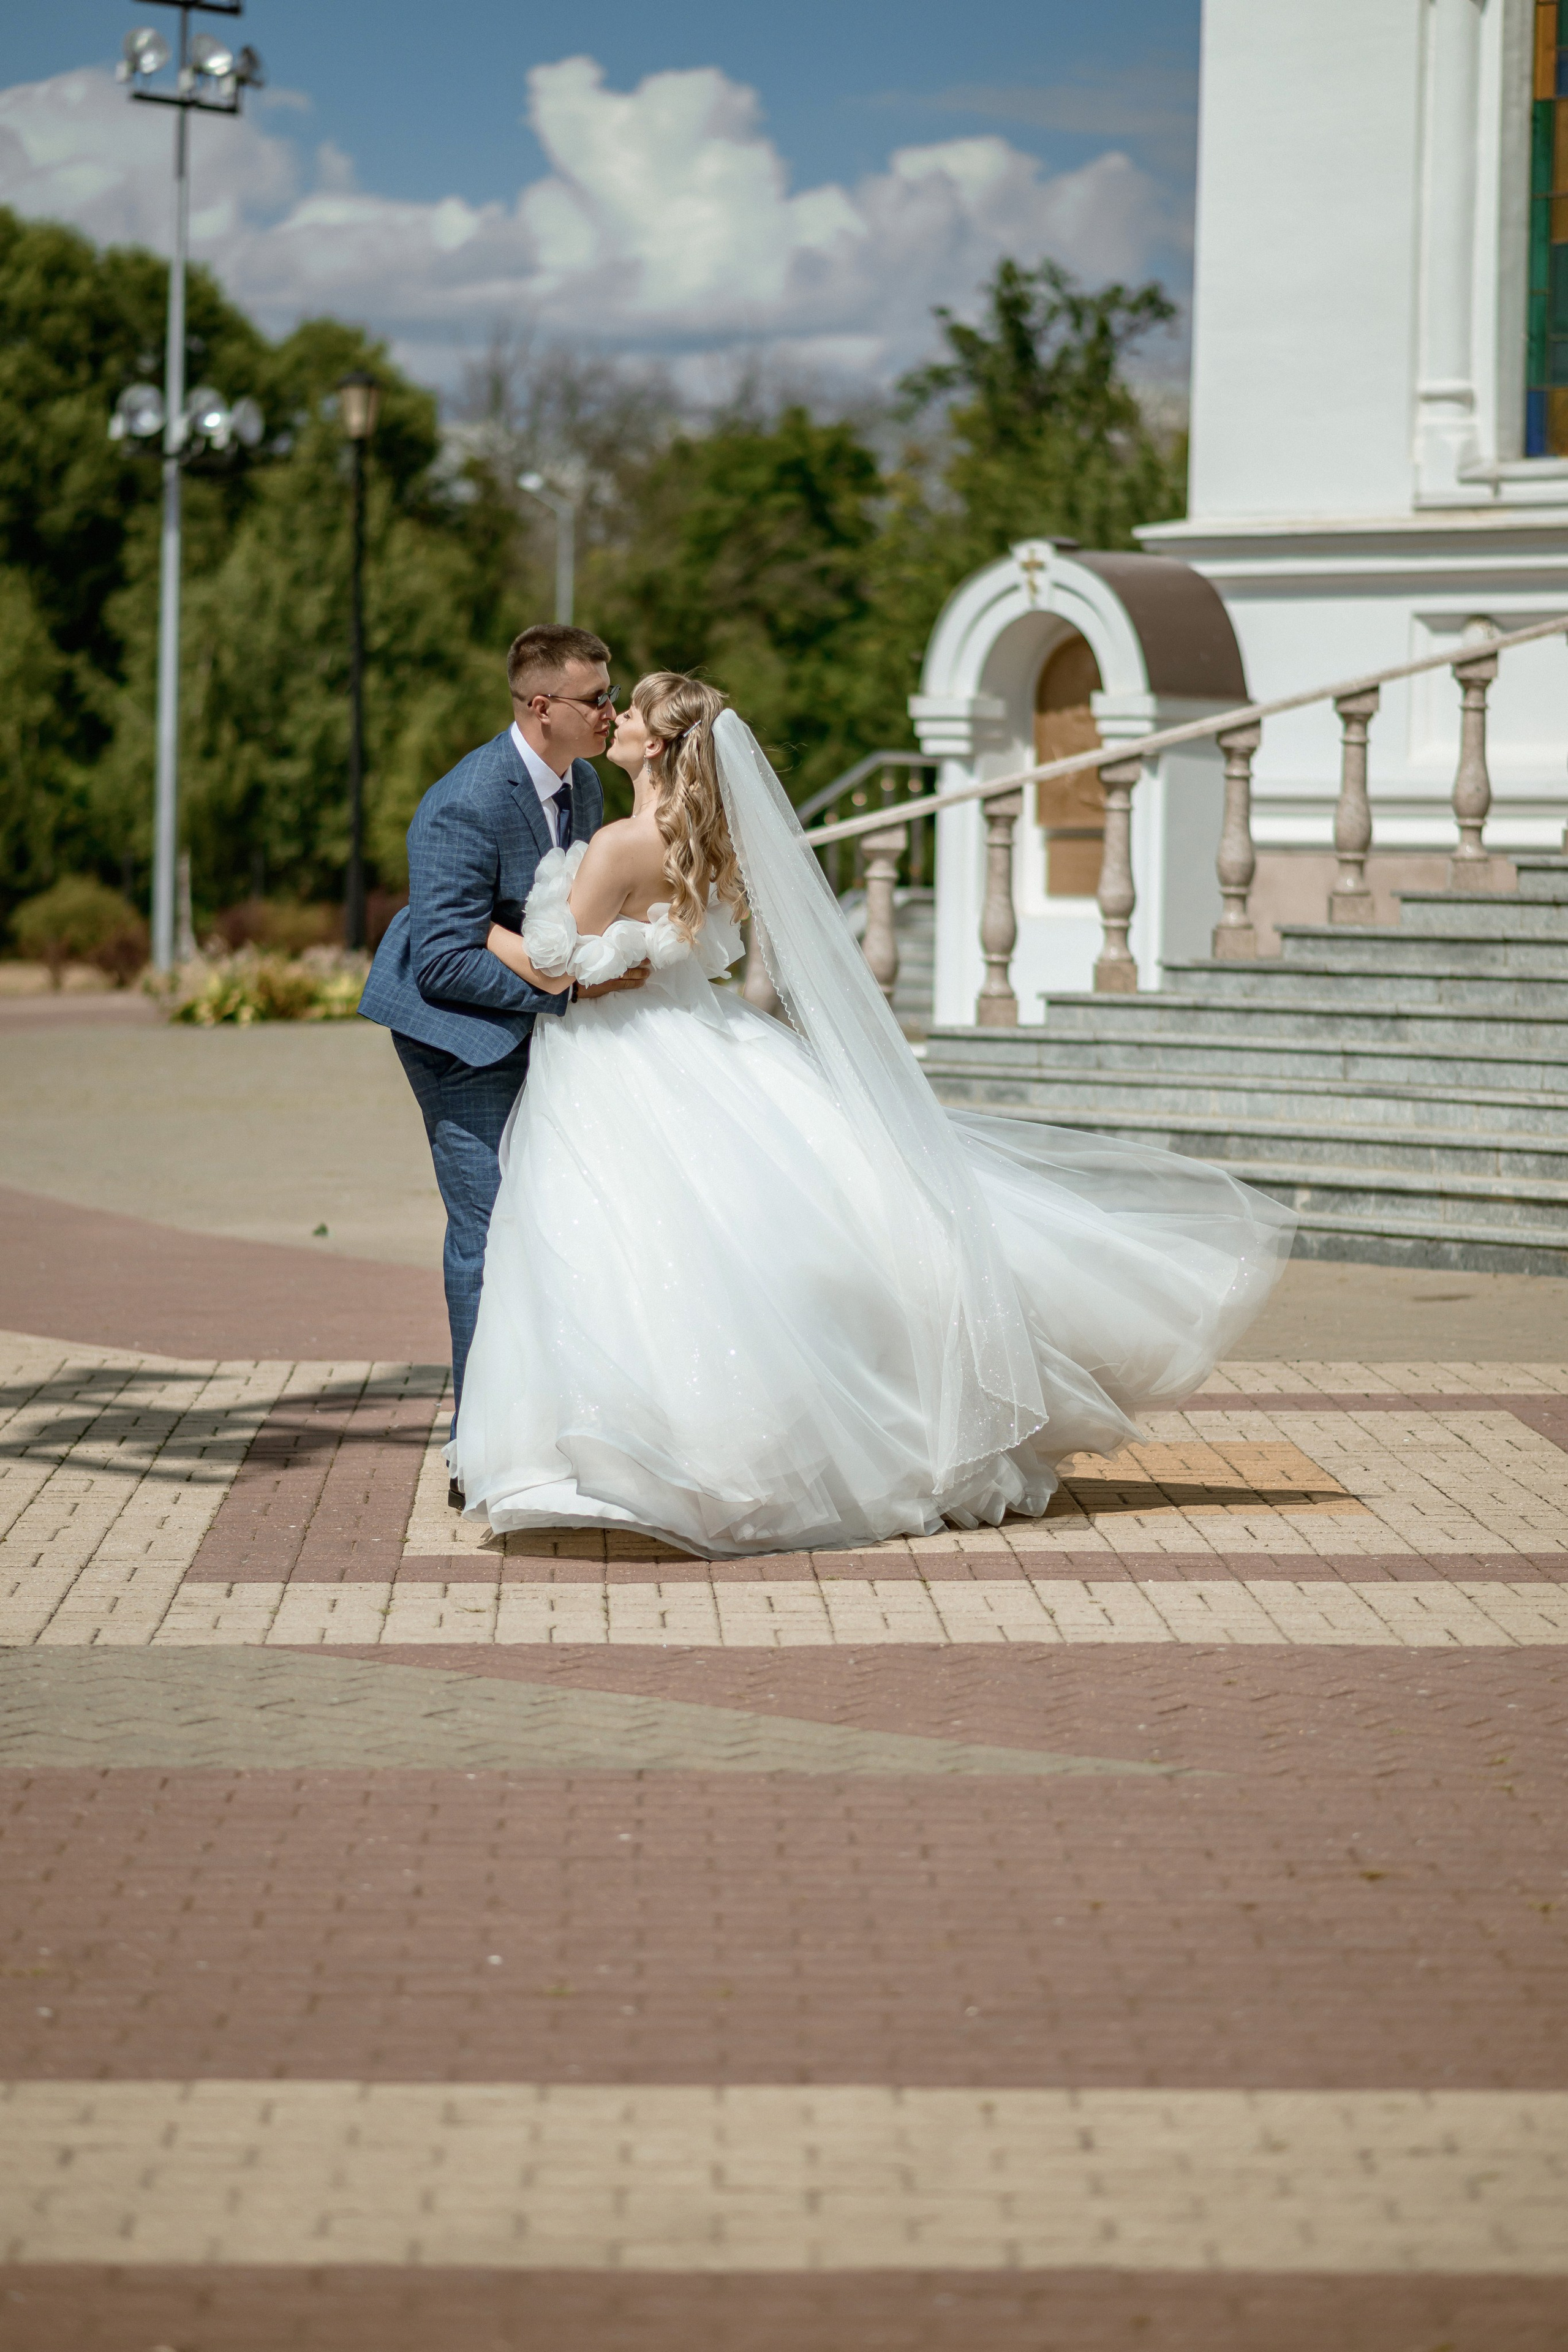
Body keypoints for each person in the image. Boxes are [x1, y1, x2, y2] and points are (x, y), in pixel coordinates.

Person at [450, 672, 1295, 1558]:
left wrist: (480, 930)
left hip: (613, 1057)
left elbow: (554, 966)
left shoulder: (619, 845)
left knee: (613, 1245)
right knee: (731, 1235)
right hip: (697, 1034)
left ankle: (639, 1454)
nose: (615, 719)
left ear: (656, 744)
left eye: (628, 712)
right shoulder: (710, 841)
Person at [359, 625, 647, 1495]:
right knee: (489, 1231)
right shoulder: (466, 801)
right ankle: (475, 1445)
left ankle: (552, 1421)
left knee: (558, 1224)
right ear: (540, 706)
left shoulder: (586, 784)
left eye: (611, 693)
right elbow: (443, 957)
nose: (610, 709)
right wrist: (567, 992)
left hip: (543, 1029)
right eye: (596, 697)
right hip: (460, 1037)